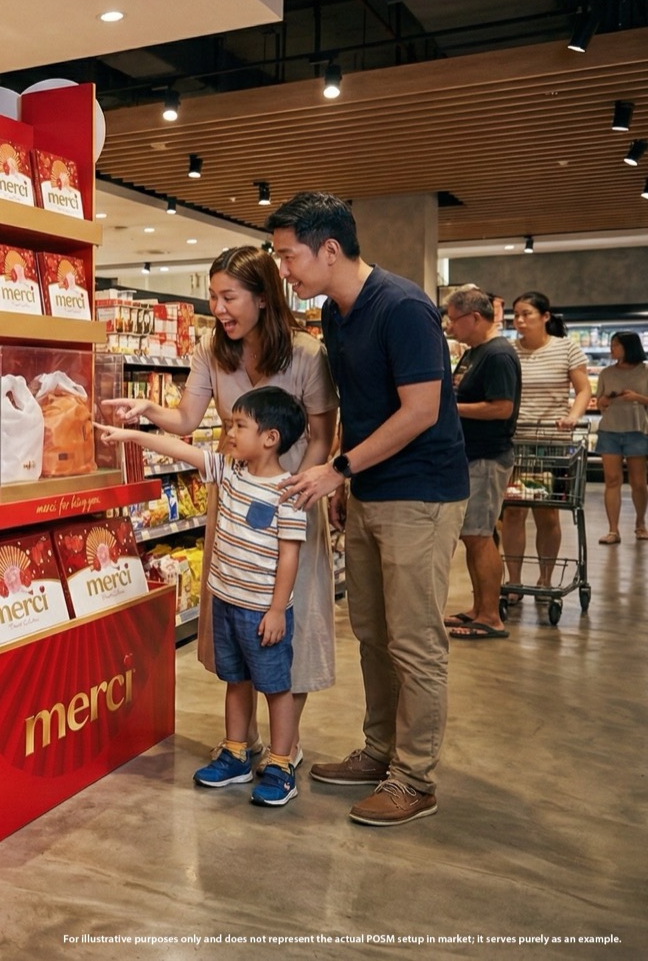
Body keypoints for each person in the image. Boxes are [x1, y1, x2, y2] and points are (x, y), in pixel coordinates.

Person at [272, 192, 468, 827]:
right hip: (369, 490)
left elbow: (421, 411)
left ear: (330, 249)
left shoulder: (403, 306)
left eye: (288, 255)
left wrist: (338, 470)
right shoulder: (335, 312)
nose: (284, 270)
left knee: (414, 641)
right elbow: (358, 406)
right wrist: (347, 482)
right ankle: (380, 750)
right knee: (373, 635)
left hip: (422, 492)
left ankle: (415, 778)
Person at [104, 245, 337, 771]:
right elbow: (187, 421)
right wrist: (147, 412)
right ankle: (241, 742)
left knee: (288, 630)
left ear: (262, 297)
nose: (220, 308)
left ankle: (285, 750)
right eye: (212, 296)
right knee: (235, 631)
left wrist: (305, 486)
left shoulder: (305, 353)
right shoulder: (213, 352)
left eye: (228, 296)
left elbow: (323, 435)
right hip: (233, 510)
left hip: (290, 507)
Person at [101, 386, 308, 808]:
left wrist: (275, 610)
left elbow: (290, 557)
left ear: (270, 438)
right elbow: (181, 453)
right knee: (235, 680)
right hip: (227, 603)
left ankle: (282, 763)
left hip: (261, 613)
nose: (230, 433)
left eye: (239, 426)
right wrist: (134, 436)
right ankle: (236, 753)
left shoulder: (289, 492)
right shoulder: (228, 471)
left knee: (276, 687)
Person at [498, 292, 589, 610]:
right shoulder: (509, 351)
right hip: (514, 442)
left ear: (545, 316)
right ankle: (514, 579)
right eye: (516, 316)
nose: (520, 321)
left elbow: (583, 389)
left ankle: (546, 579)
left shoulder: (565, 348)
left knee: (546, 512)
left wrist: (573, 416)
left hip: (550, 443)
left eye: (526, 314)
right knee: (512, 512)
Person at [442, 286, 520, 640]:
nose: (450, 327)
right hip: (469, 455)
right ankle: (479, 607)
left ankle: (491, 615)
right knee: (473, 536)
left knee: (480, 535)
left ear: (475, 317)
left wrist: (451, 410)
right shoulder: (475, 353)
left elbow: (502, 407)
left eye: (454, 319)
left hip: (487, 457)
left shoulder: (498, 355)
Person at [594, 331, 648, 544]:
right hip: (609, 431)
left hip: (637, 430)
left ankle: (640, 523)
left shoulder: (645, 371)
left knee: (638, 481)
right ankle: (613, 530)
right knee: (612, 480)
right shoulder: (606, 373)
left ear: (629, 347)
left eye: (615, 345)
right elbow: (598, 402)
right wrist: (605, 400)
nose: (611, 349)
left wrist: (637, 398)